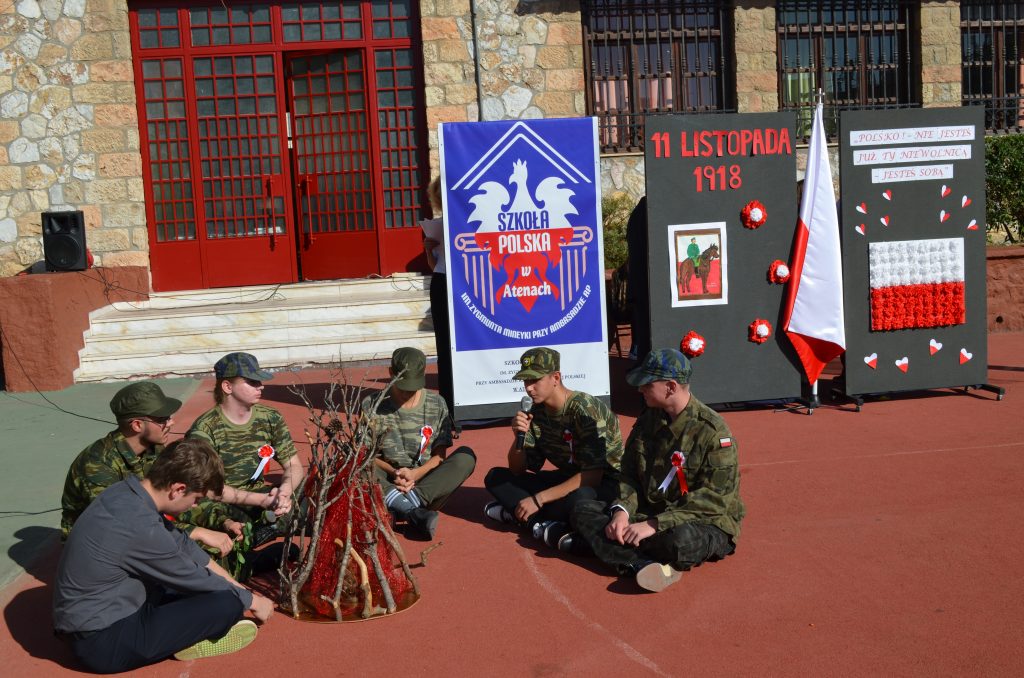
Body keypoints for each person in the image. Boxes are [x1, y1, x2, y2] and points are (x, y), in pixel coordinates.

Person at [53, 438, 275, 673]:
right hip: (101, 643)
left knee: (221, 591)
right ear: (178, 489)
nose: (194, 506)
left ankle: (185, 629)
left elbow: (188, 550)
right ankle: (189, 638)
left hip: (102, 614)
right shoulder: (140, 525)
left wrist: (242, 590)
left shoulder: (128, 493)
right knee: (227, 603)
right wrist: (251, 601)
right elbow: (193, 575)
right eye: (196, 499)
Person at [570, 349, 745, 592]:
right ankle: (641, 564)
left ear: (671, 387)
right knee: (583, 509)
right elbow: (629, 473)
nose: (640, 389)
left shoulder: (713, 433)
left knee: (679, 542)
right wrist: (622, 511)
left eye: (647, 384)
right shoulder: (648, 419)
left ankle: (601, 546)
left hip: (702, 521)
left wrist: (654, 524)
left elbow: (713, 502)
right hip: (651, 509)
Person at [59, 381, 236, 557]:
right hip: (97, 545)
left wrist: (223, 521)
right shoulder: (98, 464)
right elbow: (124, 523)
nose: (171, 422)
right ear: (137, 425)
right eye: (162, 419)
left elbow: (183, 495)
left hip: (139, 525)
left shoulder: (154, 449)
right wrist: (196, 532)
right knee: (197, 555)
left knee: (220, 542)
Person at [483, 347, 623, 550]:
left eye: (535, 380)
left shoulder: (585, 409)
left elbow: (592, 476)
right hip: (567, 478)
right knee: (496, 477)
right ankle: (539, 524)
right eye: (525, 381)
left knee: (578, 499)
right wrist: (517, 438)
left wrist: (538, 499)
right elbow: (518, 470)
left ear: (556, 377)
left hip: (604, 483)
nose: (529, 388)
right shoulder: (535, 411)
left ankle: (521, 515)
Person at [183, 352, 305, 552]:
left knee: (314, 493)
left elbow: (293, 465)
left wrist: (283, 494)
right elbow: (210, 490)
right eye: (252, 382)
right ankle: (250, 539)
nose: (261, 387)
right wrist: (265, 501)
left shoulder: (270, 417)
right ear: (227, 387)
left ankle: (257, 533)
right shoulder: (205, 429)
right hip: (224, 501)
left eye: (259, 382)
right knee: (204, 510)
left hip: (258, 498)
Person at [364, 347, 476, 540]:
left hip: (424, 484)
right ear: (391, 373)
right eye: (404, 385)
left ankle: (402, 505)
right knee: (353, 462)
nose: (408, 391)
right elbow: (367, 456)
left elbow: (439, 456)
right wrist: (394, 473)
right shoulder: (371, 404)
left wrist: (415, 474)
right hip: (386, 480)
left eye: (414, 385)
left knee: (465, 457)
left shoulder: (436, 403)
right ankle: (413, 512)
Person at [422, 177, 455, 414]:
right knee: (444, 343)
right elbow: (434, 264)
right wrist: (427, 248)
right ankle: (448, 403)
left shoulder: (467, 222)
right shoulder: (438, 225)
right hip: (442, 282)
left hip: (466, 284)